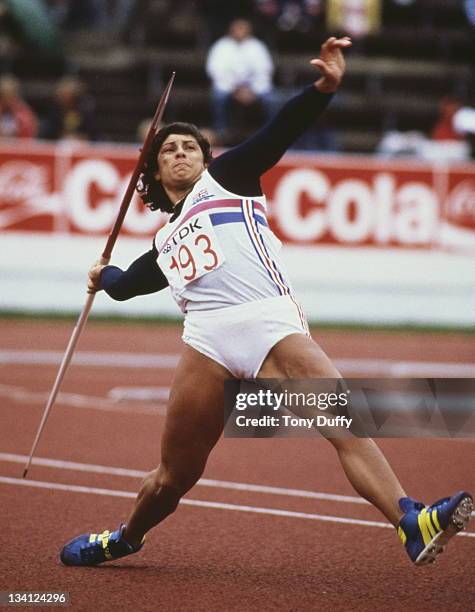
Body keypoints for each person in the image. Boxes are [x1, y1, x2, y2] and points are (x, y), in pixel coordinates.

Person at [60, 37, 473, 568]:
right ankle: (124, 538)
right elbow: (126, 283)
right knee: (173, 477)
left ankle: (410, 521)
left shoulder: (226, 181)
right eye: (168, 150)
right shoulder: (163, 243)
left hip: (268, 323)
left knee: (342, 421)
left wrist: (322, 89)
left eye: (189, 146)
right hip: (205, 341)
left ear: (205, 159)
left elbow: (280, 131)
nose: (181, 152)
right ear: (156, 176)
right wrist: (102, 275)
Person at [205, 17, 274, 143]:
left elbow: (264, 70)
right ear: (231, 30)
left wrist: (250, 89)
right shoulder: (221, 46)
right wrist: (235, 89)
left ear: (249, 30)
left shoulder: (257, 46)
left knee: (270, 99)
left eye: (243, 28)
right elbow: (215, 70)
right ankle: (221, 132)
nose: (240, 31)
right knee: (218, 97)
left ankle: (270, 133)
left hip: (254, 88)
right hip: (228, 87)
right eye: (237, 28)